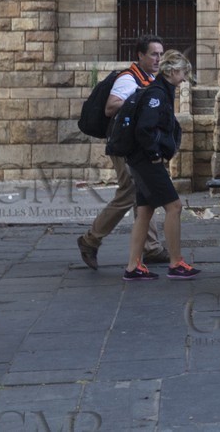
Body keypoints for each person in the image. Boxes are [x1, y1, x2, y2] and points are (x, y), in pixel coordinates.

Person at [78, 35, 168, 270]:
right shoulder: (128, 79)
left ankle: (151, 248)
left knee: (144, 191)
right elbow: (111, 107)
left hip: (138, 145)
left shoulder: (149, 79)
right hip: (123, 145)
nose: (158, 59)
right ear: (140, 55)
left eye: (160, 54)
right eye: (153, 54)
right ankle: (90, 240)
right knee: (130, 192)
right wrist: (139, 100)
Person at [122, 49, 199, 280]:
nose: (184, 78)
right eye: (183, 72)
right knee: (174, 207)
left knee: (145, 211)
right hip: (146, 161)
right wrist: (155, 154)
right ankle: (176, 263)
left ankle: (133, 267)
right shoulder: (157, 94)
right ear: (172, 71)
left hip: (139, 159)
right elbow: (144, 129)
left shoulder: (160, 91)